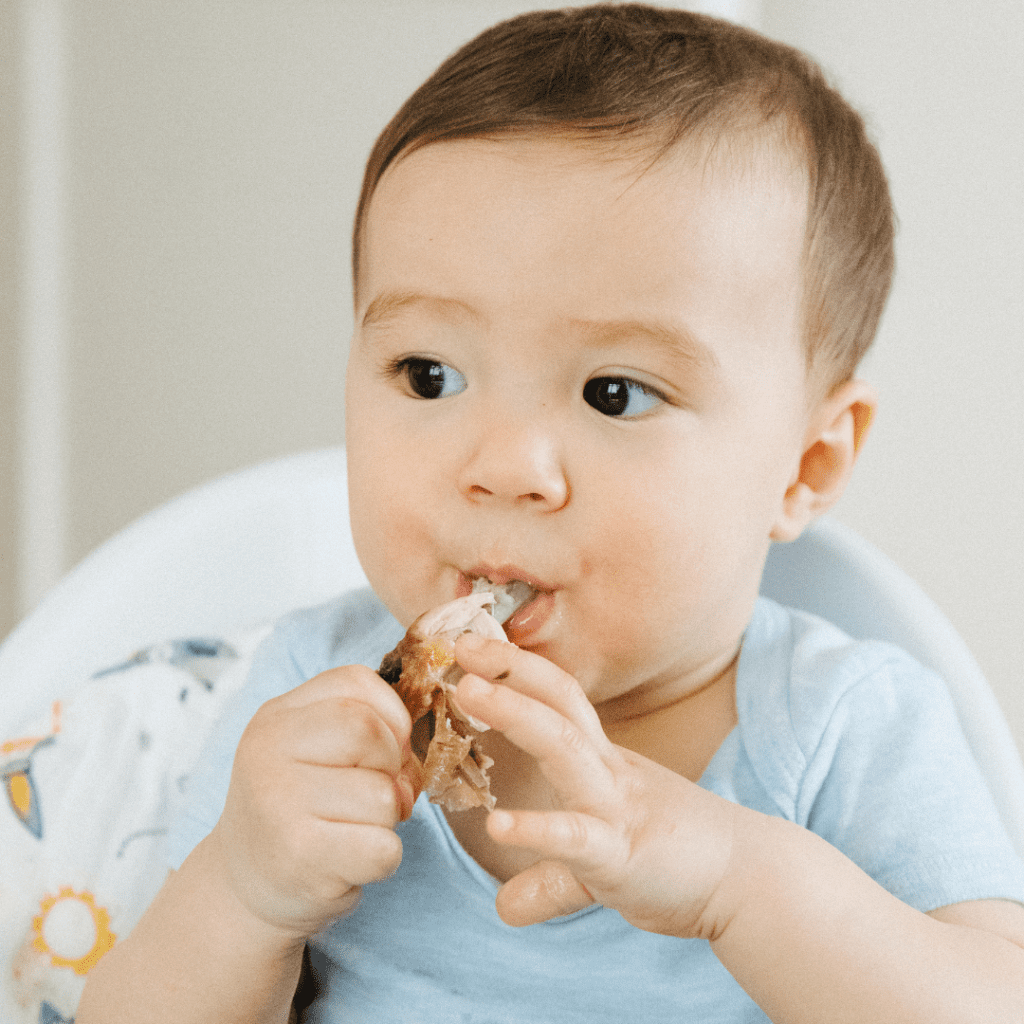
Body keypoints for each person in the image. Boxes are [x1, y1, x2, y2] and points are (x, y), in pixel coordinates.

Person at [78, 5, 1024, 1022]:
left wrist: (736, 882)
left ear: (806, 461)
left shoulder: (844, 728)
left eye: (612, 392)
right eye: (428, 373)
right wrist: (240, 894)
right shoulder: (312, 704)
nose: (506, 466)